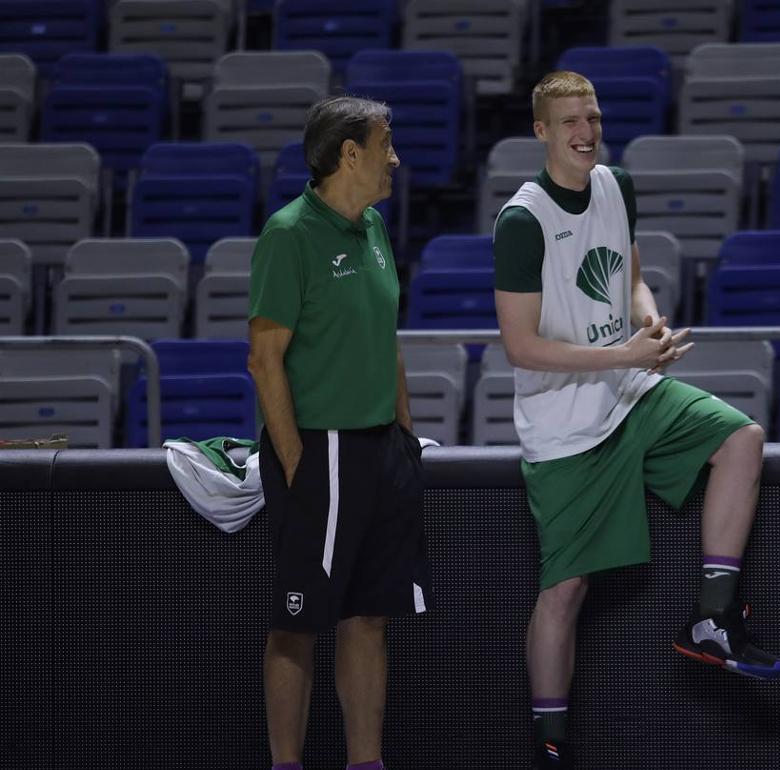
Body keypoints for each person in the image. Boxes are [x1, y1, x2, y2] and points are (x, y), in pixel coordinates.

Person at [492, 70, 780, 769]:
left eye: (592, 117)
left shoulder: (616, 183)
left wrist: (649, 323)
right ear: (541, 132)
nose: (586, 132)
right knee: (564, 591)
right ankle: (550, 745)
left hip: (627, 393)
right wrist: (623, 350)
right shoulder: (522, 220)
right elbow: (520, 346)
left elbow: (629, 278)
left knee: (741, 439)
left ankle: (712, 619)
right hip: (562, 420)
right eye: (569, 122)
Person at [247, 95, 430, 770]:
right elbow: (264, 359)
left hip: (382, 450)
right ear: (349, 154)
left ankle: (365, 763)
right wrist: (297, 466)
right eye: (386, 144)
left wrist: (406, 438)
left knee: (370, 617)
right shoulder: (289, 233)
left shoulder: (375, 228)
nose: (395, 157)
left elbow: (388, 342)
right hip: (318, 448)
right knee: (298, 621)